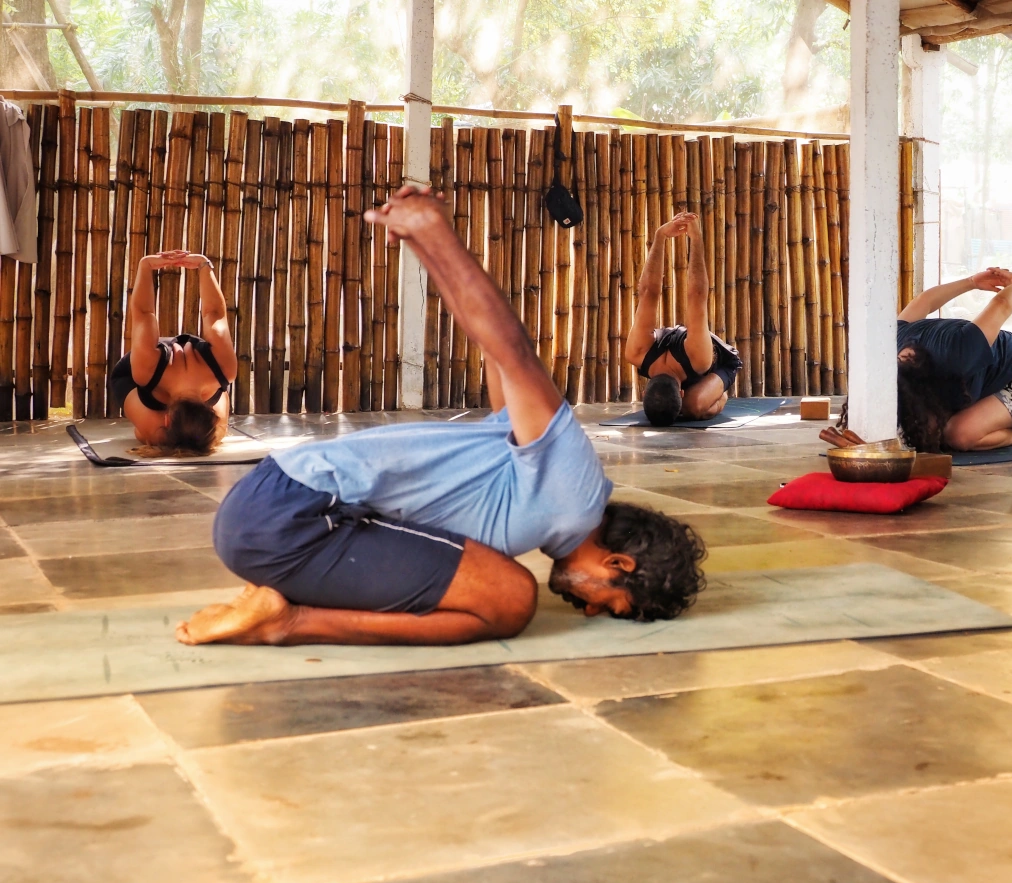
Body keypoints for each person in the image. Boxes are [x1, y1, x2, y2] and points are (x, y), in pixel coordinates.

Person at [175, 186, 707, 649]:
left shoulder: (543, 495)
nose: (589, 610)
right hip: (290, 516)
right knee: (509, 597)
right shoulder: (574, 490)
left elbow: (493, 350)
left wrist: (425, 246)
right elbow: (516, 353)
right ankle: (286, 624)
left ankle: (281, 612)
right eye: (608, 604)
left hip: (272, 508)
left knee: (499, 580)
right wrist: (439, 234)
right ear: (619, 566)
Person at [821, 267, 1012, 453]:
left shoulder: (961, 352)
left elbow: (1002, 305)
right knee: (924, 434)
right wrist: (971, 282)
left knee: (956, 435)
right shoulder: (892, 342)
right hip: (984, 373)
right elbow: (926, 301)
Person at [109, 250, 236, 456]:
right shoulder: (222, 370)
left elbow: (143, 315)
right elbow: (214, 315)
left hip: (154, 376)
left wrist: (146, 265)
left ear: (165, 419)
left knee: (153, 436)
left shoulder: (147, 370)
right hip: (132, 374)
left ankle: (171, 436)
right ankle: (191, 432)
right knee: (213, 436)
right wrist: (204, 266)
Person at [625, 212, 742, 425]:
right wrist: (694, 238)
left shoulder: (639, 351)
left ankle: (718, 390)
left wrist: (661, 236)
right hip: (696, 362)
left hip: (719, 362)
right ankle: (718, 396)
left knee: (690, 405)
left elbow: (651, 293)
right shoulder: (696, 360)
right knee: (694, 407)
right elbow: (691, 295)